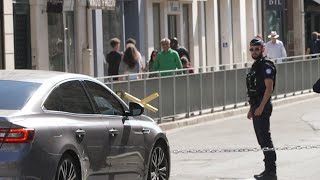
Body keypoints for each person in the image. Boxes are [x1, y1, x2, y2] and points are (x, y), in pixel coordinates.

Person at [246, 38, 277, 180]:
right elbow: (253, 88)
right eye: (251, 49)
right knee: (261, 139)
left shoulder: (266, 65)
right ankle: (268, 170)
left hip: (262, 105)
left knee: (265, 138)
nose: (254, 51)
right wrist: (252, 108)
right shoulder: (256, 66)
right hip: (256, 105)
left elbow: (268, 89)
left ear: (263, 49)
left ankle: (271, 171)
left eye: (257, 49)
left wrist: (261, 107)